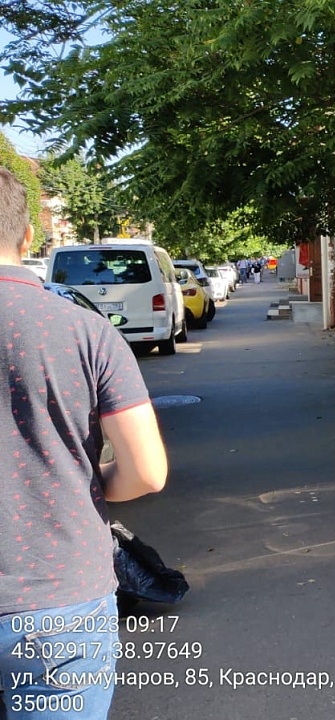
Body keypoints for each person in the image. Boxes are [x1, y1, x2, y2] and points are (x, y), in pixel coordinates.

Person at [0, 167, 168, 718]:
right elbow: (147, 471)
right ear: (28, 239)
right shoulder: (85, 332)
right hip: (57, 596)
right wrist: (89, 487)